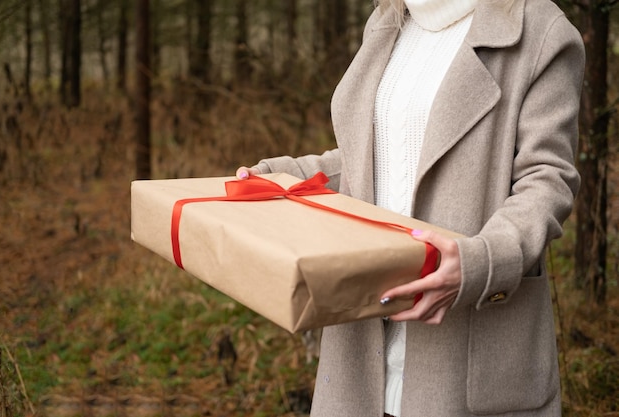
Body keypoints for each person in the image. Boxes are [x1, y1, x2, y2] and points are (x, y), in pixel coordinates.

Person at [236, 0, 585, 415]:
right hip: (361, 350)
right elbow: (373, 158)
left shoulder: (538, 28)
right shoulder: (389, 19)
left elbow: (547, 178)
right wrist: (288, 176)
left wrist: (483, 262)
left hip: (468, 356)